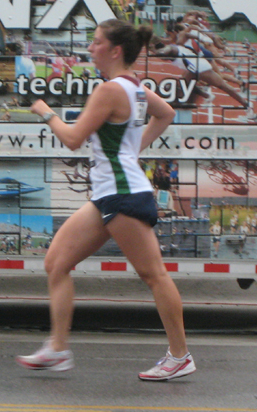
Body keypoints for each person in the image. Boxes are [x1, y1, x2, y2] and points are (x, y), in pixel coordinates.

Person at [16, 19, 196, 381]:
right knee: (56, 262)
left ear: (115, 51)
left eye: (96, 42)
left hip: (122, 195)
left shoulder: (111, 90)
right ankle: (58, 349)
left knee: (154, 275)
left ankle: (180, 356)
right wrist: (132, 153)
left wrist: (45, 111)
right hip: (109, 193)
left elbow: (72, 138)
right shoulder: (135, 87)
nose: (90, 48)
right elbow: (167, 114)